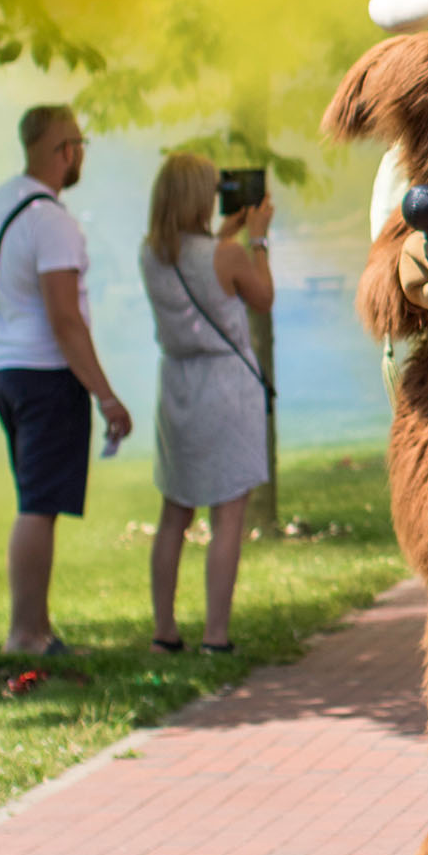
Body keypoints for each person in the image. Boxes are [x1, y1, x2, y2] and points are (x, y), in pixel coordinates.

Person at [0, 104, 133, 656]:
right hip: (45, 376)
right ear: (64, 150)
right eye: (79, 143)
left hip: (4, 371)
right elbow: (65, 320)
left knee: (34, 500)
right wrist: (106, 396)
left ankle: (35, 627)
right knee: (38, 506)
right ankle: (28, 634)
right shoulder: (53, 221)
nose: (81, 153)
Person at [138, 153, 274, 653]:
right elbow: (261, 297)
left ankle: (164, 631)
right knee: (228, 513)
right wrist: (255, 238)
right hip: (225, 382)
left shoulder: (150, 254)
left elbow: (195, 266)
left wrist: (225, 233)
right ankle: (216, 635)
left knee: (175, 510)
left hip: (177, 382)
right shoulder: (229, 255)